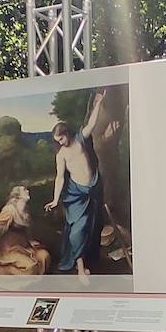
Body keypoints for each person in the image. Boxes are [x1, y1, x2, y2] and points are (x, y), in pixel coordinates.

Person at [45, 90, 115, 276]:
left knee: (93, 227)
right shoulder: (61, 155)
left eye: (61, 138)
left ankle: (86, 262)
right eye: (57, 141)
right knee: (77, 230)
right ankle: (81, 267)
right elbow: (60, 177)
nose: (60, 142)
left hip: (92, 188)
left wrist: (98, 103)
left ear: (66, 134)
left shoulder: (80, 139)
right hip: (76, 195)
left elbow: (91, 124)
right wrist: (55, 199)